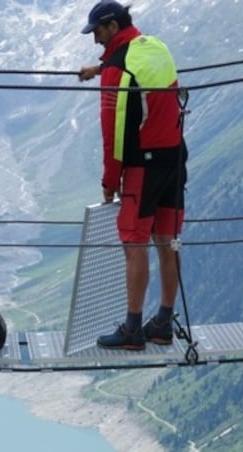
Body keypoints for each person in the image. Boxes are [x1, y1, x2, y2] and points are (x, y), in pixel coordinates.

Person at [78, 1, 188, 350]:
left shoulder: (116, 72)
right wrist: (97, 69)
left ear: (111, 26)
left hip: (143, 167)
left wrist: (110, 183)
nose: (95, 39)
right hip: (174, 160)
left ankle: (131, 330)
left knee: (134, 245)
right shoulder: (154, 46)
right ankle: (164, 323)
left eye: (96, 31)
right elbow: (134, 70)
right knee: (168, 242)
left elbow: (113, 135)